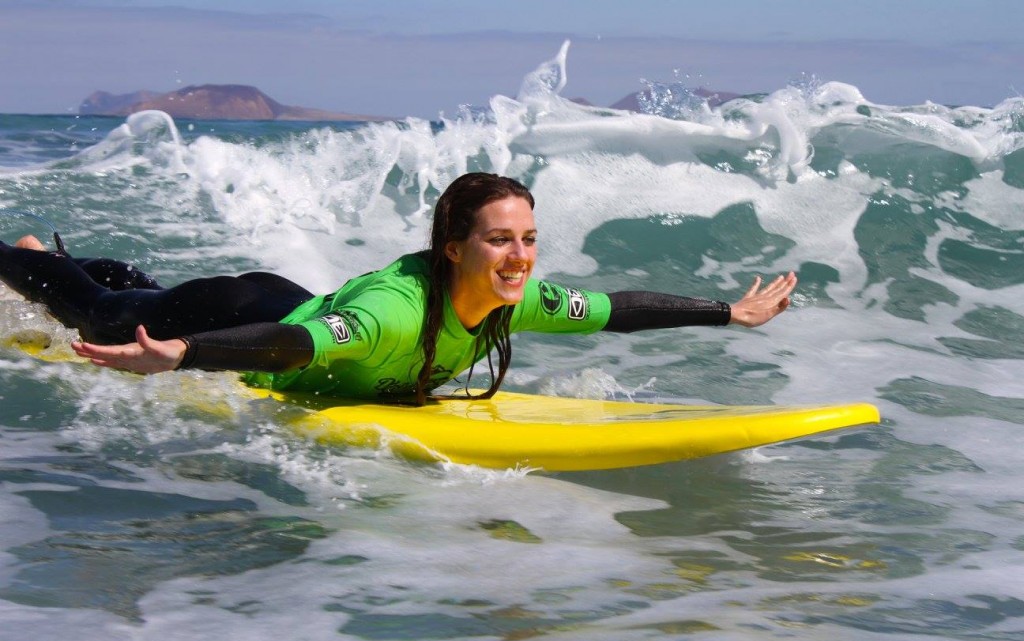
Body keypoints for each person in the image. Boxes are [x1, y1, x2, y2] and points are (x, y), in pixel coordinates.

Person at [0, 173, 796, 404]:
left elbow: (619, 310)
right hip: (246, 313)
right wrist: (181, 356)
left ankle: (78, 261)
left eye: (527, 239)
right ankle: (19, 255)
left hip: (276, 305)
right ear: (454, 250)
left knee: (140, 290)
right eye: (498, 240)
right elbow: (295, 345)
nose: (519, 258)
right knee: (100, 310)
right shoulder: (398, 310)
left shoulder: (522, 297)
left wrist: (731, 311)